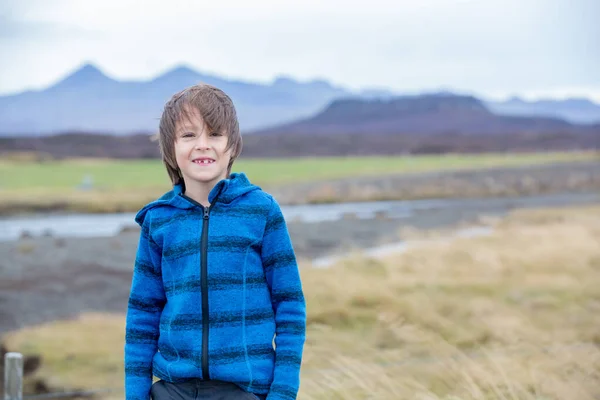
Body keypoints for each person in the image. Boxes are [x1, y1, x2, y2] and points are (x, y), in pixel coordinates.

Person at [124, 84, 306, 400]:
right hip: (172, 390)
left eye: (215, 135)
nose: (202, 145)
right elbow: (142, 316)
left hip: (244, 390)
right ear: (171, 148)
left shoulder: (261, 211)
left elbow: (290, 308)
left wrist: (283, 394)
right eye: (189, 135)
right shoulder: (158, 220)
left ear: (232, 146)